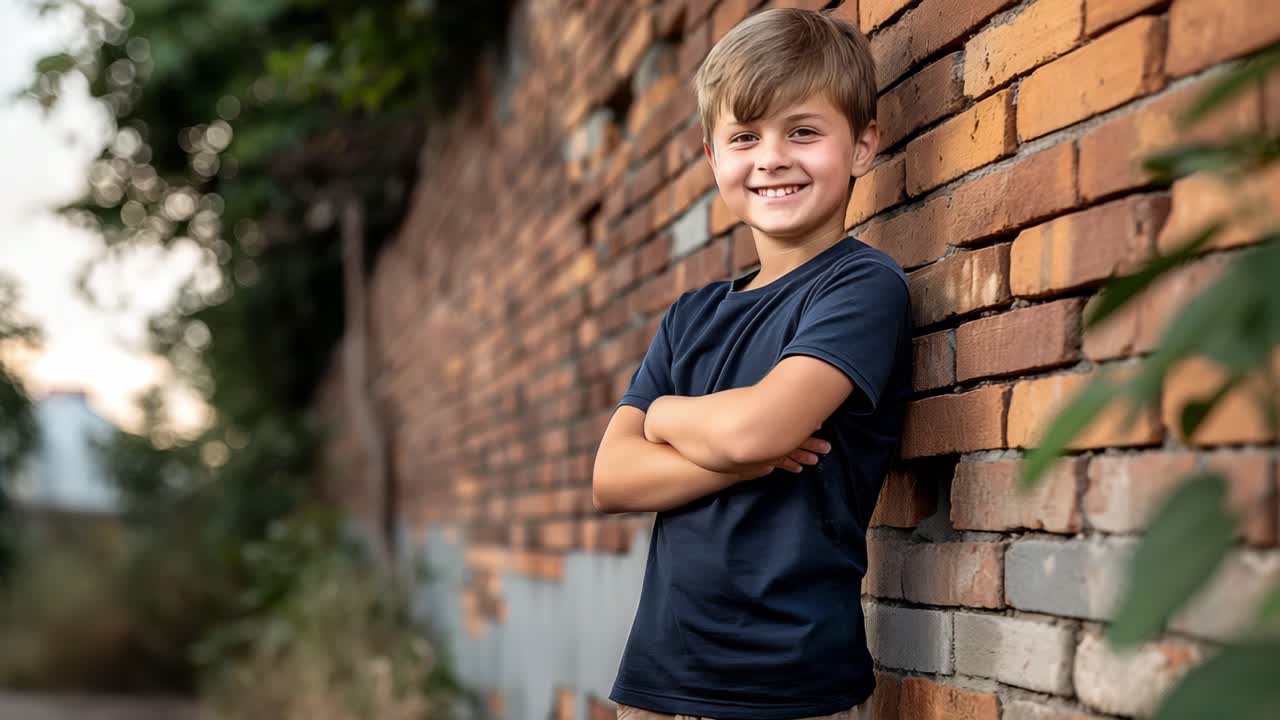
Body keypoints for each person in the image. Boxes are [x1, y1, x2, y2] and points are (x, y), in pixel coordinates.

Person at [591, 6, 911, 720]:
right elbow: (612, 477)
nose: (771, 157)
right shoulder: (691, 316)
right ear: (714, 159)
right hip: (656, 683)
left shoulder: (861, 288)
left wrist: (668, 418)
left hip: (787, 688)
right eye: (744, 137)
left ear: (862, 147)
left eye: (802, 131)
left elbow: (757, 431)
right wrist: (736, 447)